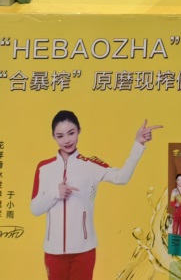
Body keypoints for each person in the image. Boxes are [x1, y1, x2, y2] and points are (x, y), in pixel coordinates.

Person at [31, 111, 161, 280]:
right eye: (60, 136)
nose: (67, 140)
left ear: (79, 130)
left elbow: (122, 177)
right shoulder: (44, 168)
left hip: (84, 251)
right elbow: (35, 209)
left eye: (71, 133)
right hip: (53, 252)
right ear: (53, 137)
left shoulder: (90, 166)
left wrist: (138, 144)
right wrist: (56, 193)